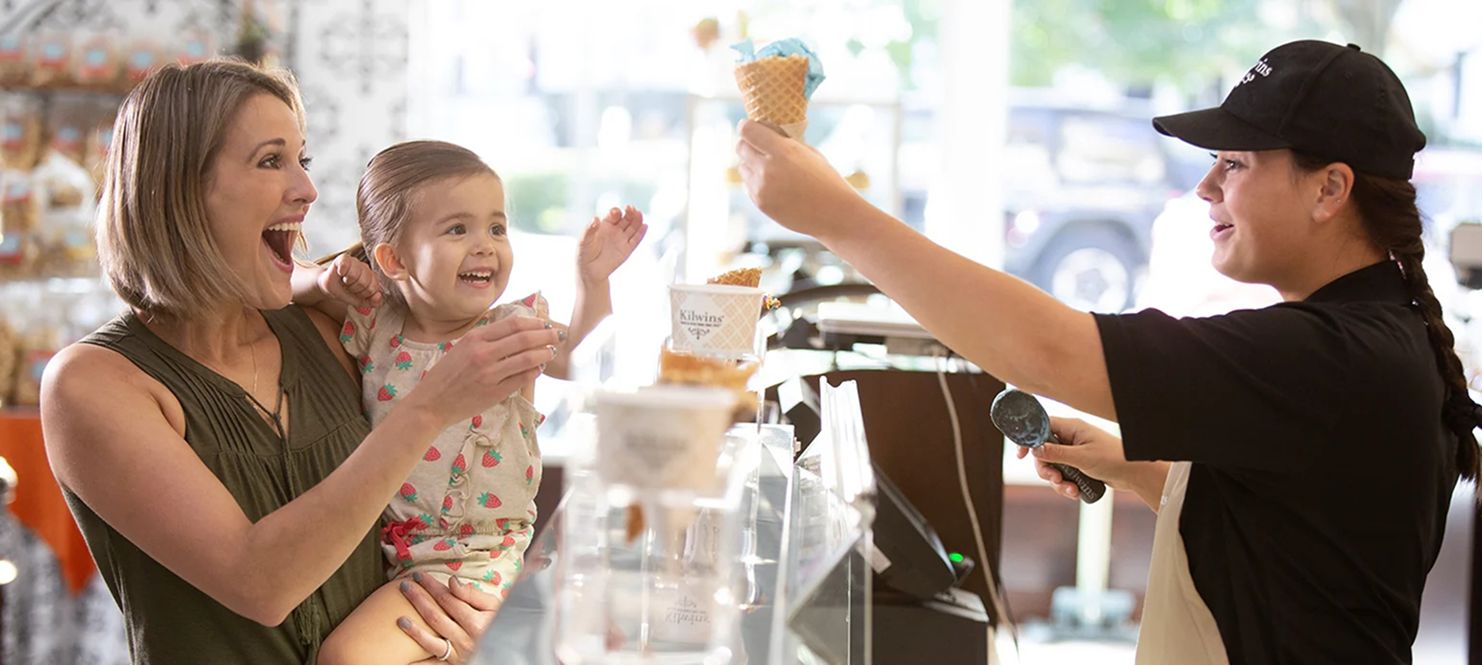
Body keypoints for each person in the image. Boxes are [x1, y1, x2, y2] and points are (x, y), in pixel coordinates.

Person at [734, 39, 1481, 664]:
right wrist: (1134, 468)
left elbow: (1046, 349)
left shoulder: (1330, 355)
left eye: (1233, 164)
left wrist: (836, 217)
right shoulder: (1364, 339)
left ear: (1329, 189)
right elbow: (1297, 537)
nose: (1203, 187)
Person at [40, 59, 562, 665]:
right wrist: (429, 406)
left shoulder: (328, 329)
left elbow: (459, 498)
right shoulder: (93, 385)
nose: (308, 190)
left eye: (302, 160)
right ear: (179, 187)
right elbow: (259, 584)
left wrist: (479, 616)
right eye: (270, 161)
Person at [293, 139, 647, 664]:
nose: (485, 245)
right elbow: (285, 285)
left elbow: (580, 359)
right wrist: (323, 276)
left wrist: (592, 280)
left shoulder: (511, 329)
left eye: (496, 227)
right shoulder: (376, 324)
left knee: (345, 658)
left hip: (481, 562)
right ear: (392, 258)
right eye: (458, 229)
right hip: (404, 557)